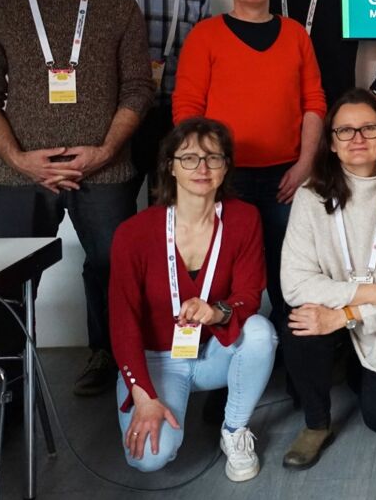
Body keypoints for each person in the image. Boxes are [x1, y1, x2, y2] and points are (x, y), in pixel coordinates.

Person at [0, 0, 154, 399]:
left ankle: (113, 363)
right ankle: (6, 392)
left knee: (112, 268)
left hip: (106, 171)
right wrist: (21, 159)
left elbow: (137, 88)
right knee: (8, 283)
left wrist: (107, 149)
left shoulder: (117, 8)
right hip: (21, 174)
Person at [172, 0, 327, 331]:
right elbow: (187, 112)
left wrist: (305, 164)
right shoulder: (205, 36)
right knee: (221, 271)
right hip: (224, 179)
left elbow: (314, 102)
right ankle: (218, 357)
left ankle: (290, 361)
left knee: (288, 273)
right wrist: (202, 174)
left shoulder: (295, 34)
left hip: (286, 177)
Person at [109, 117, 275, 481]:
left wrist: (217, 312)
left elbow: (249, 294)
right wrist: (143, 395)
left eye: (213, 158)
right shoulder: (133, 233)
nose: (202, 167)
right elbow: (123, 322)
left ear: (226, 166)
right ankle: (146, 396)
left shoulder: (244, 219)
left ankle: (234, 431)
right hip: (158, 362)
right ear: (170, 166)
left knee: (262, 331)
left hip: (214, 351)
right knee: (150, 458)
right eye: (189, 158)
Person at [278, 89, 376, 469]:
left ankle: (352, 365)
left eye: (368, 128)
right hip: (340, 308)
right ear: (331, 143)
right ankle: (316, 424)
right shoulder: (309, 196)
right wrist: (368, 292)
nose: (358, 139)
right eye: (344, 131)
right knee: (297, 319)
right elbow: (295, 283)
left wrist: (344, 315)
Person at [92, 0, 211, 200]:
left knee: (170, 212)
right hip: (115, 122)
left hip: (173, 121)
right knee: (113, 214)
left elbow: (204, 68)